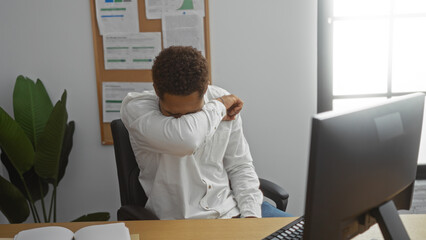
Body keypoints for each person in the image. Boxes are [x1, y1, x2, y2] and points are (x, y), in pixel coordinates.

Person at [121, 46, 290, 219]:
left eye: (193, 113)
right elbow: (187, 139)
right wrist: (218, 107)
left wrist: (251, 217)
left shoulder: (220, 97)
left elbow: (240, 166)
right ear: (157, 90)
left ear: (206, 89)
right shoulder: (136, 109)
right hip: (182, 224)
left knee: (306, 233)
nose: (183, 118)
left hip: (232, 211)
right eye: (173, 114)